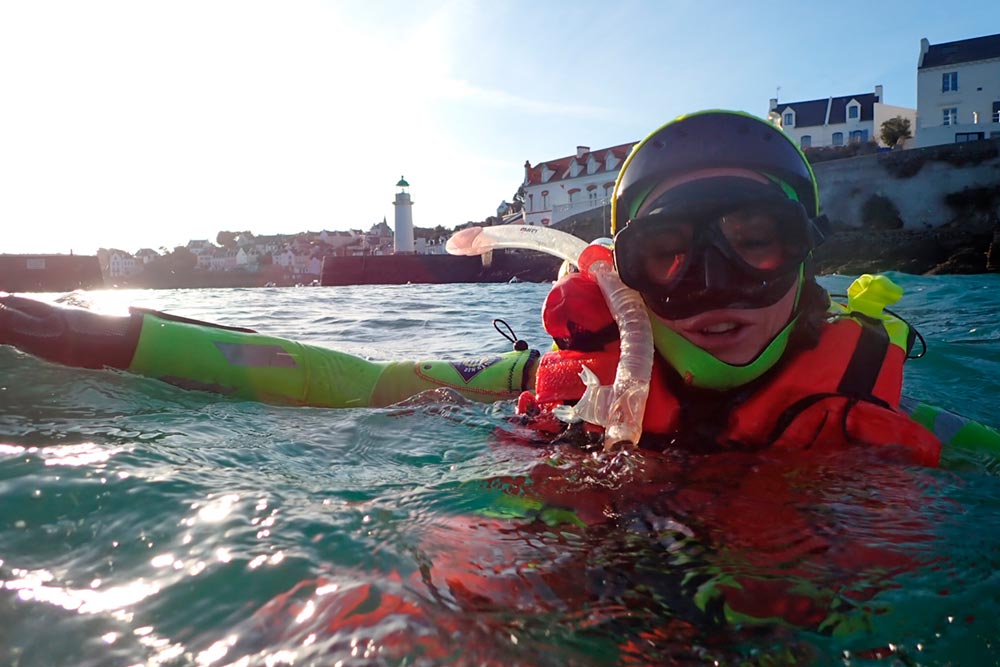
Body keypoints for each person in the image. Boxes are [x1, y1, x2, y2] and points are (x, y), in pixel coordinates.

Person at [0, 110, 941, 465]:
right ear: (621, 271)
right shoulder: (568, 383)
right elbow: (352, 381)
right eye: (672, 254)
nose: (716, 285)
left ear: (808, 253)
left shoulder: (866, 397)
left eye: (757, 242)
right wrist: (112, 336)